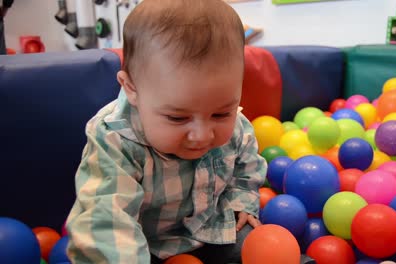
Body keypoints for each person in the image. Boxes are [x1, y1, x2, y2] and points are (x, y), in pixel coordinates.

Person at [65, 0, 268, 263]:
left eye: (220, 114)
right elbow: (107, 220)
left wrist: (241, 203)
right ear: (132, 89)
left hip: (212, 229)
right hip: (145, 245)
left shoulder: (238, 126)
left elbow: (246, 166)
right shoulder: (115, 138)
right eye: (177, 117)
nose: (202, 135)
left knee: (262, 246)